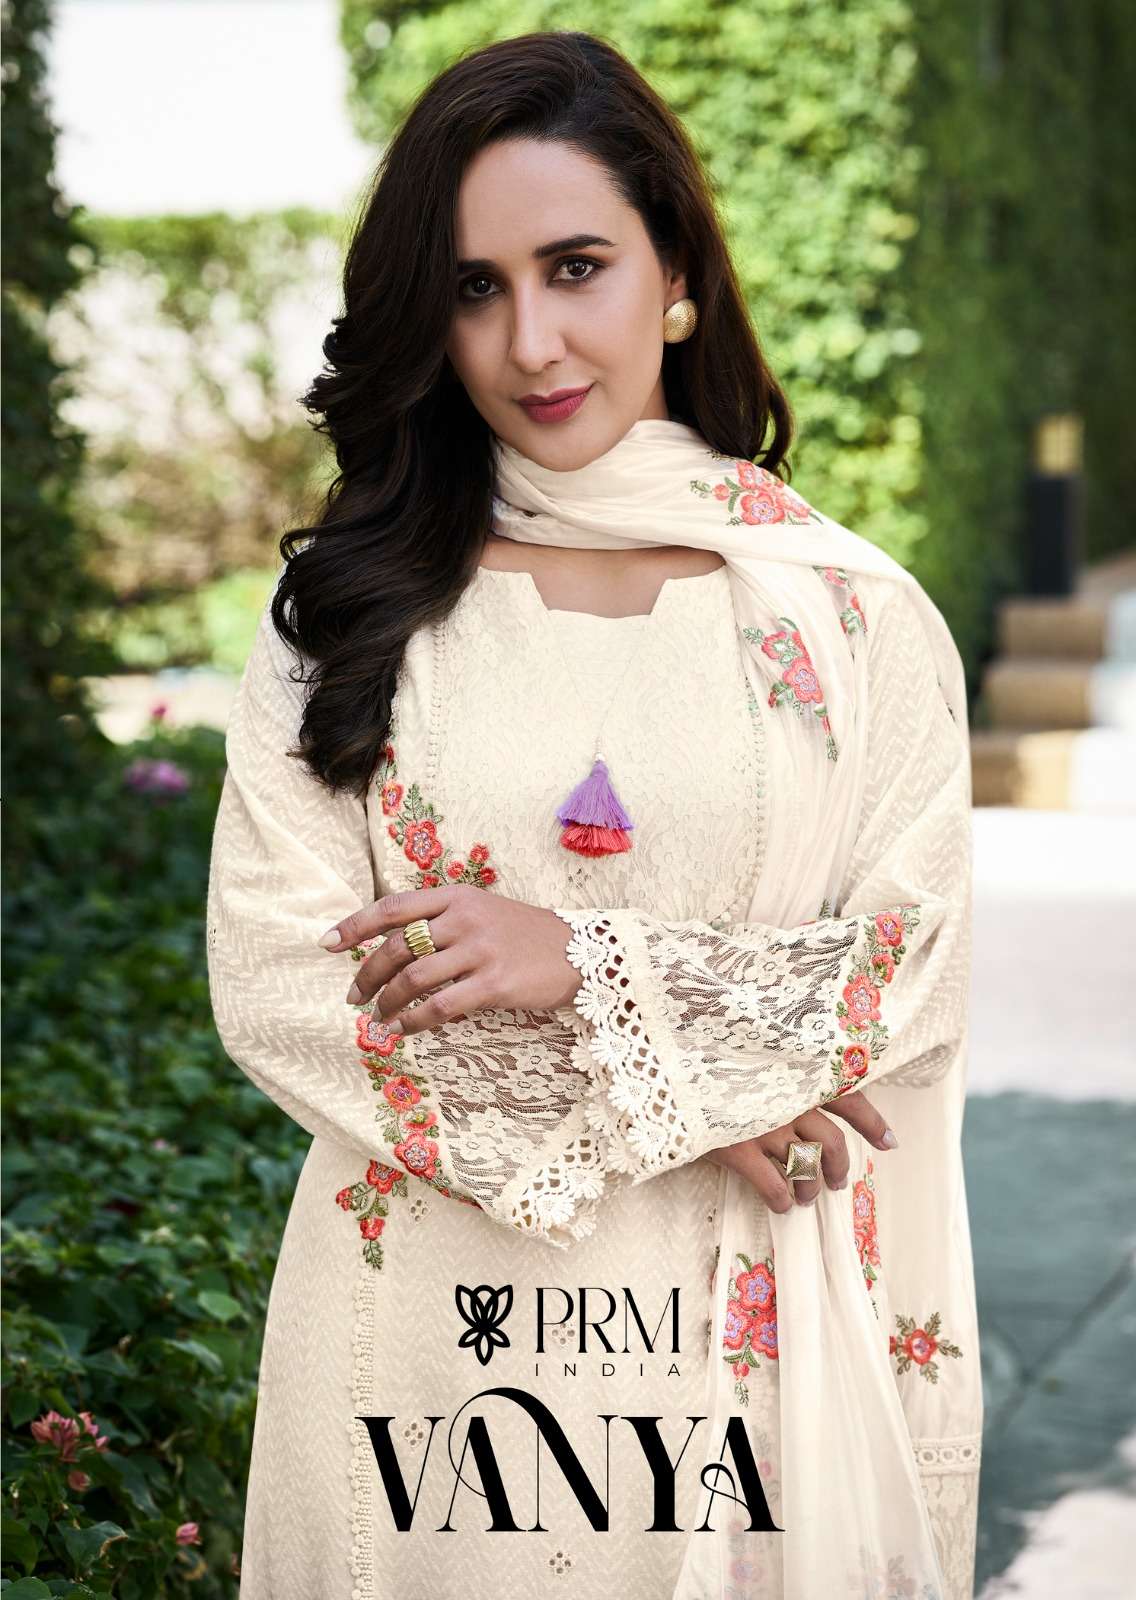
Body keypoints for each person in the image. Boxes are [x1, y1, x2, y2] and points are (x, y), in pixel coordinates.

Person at [206, 29, 982, 1600]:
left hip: (752, 1373)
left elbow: (904, 968)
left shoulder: (852, 618)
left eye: (577, 268)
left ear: (675, 272)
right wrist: (717, 1073)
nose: (532, 342)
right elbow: (281, 982)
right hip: (430, 1376)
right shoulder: (353, 620)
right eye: (475, 288)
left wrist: (588, 969)